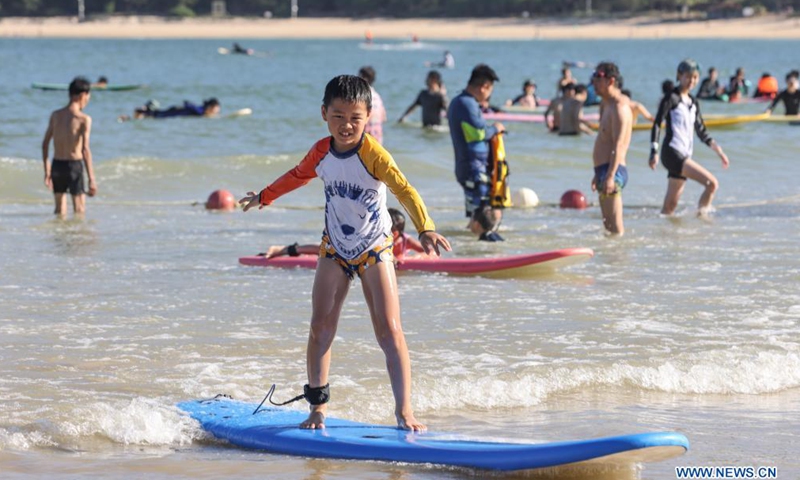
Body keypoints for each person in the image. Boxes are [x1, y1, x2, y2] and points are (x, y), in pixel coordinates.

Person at [239, 75, 451, 432]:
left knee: (389, 331)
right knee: (320, 327)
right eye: (338, 116)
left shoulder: (374, 154)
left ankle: (405, 412)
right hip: (334, 248)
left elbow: (404, 189)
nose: (346, 125)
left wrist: (425, 226)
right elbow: (298, 175)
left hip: (375, 248)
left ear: (368, 116)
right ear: (324, 113)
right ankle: (317, 409)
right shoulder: (321, 151)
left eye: (355, 117)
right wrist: (265, 195)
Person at [649, 59, 729, 216]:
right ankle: (702, 218)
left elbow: (701, 131)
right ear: (679, 76)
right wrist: (654, 152)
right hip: (672, 152)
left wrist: (719, 152)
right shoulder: (671, 98)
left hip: (684, 154)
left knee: (669, 208)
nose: (691, 81)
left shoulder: (693, 102)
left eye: (695, 77)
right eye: (687, 76)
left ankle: (662, 229)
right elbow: (657, 124)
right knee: (711, 184)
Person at [447, 64, 506, 242]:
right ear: (484, 87)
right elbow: (478, 134)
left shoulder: (463, 102)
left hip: (470, 168)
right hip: (474, 169)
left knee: (477, 214)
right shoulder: (466, 103)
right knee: (485, 218)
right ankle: (484, 251)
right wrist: (495, 129)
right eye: (490, 89)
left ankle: (465, 247)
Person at [264, 208, 425, 262]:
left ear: (395, 233)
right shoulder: (375, 239)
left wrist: (413, 258)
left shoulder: (406, 241)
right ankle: (287, 249)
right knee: (324, 248)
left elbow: (427, 252)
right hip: (353, 250)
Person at [41, 76, 97, 216]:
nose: (87, 100)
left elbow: (45, 144)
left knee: (59, 211)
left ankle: (59, 231)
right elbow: (85, 150)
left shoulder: (56, 115)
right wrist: (92, 179)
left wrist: (47, 169)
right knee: (79, 210)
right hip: (74, 166)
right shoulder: (84, 119)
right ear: (82, 95)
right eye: (88, 97)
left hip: (57, 165)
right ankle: (76, 231)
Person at [590, 62, 632, 235]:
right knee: (608, 228)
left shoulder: (619, 107)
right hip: (603, 170)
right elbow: (604, 140)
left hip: (613, 172)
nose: (593, 83)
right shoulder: (605, 104)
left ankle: (622, 254)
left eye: (598, 78)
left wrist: (609, 176)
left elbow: (618, 144)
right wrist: (597, 174)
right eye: (593, 78)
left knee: (616, 229)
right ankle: (610, 254)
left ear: (611, 81)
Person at [120, 98, 221, 121]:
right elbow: (188, 104)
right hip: (172, 113)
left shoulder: (200, 110)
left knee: (154, 115)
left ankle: (130, 117)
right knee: (155, 115)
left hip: (173, 112)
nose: (218, 111)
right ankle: (129, 117)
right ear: (211, 107)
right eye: (217, 108)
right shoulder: (200, 110)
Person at [358, 66, 387, 144]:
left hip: (365, 135)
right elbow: (384, 118)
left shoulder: (359, 95)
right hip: (377, 136)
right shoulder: (377, 96)